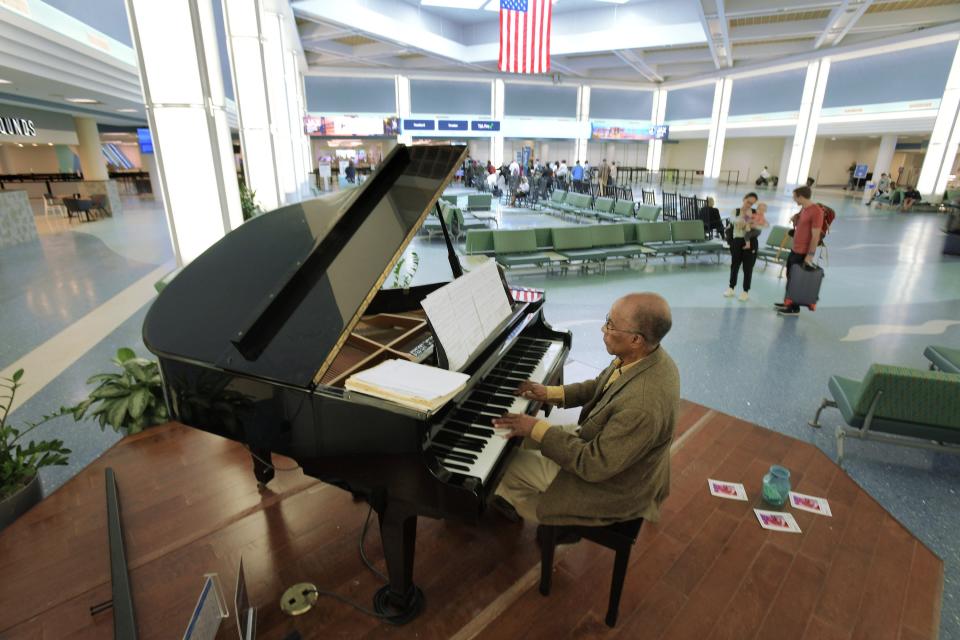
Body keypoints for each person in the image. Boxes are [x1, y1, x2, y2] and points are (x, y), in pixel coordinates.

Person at [491, 293, 679, 531]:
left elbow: (593, 463)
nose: (603, 329)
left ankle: (549, 515)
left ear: (636, 339)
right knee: (516, 439)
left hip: (611, 485)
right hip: (603, 443)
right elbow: (601, 385)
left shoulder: (642, 405)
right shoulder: (645, 356)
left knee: (503, 469)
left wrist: (535, 427)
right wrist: (549, 393)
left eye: (611, 325)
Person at [776, 186, 824, 316]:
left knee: (796, 280)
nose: (793, 199)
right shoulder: (804, 209)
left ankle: (794, 308)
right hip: (795, 249)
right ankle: (788, 302)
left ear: (800, 196)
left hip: (803, 252)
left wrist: (810, 255)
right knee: (790, 277)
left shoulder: (816, 211)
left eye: (794, 196)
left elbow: (815, 236)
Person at [724, 193, 763, 302]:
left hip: (751, 241)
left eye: (752, 203)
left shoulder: (755, 213)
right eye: (748, 202)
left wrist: (748, 223)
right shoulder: (735, 211)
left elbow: (758, 228)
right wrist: (746, 219)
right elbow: (734, 221)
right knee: (735, 265)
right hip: (737, 241)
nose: (749, 205)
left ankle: (745, 291)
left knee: (748, 267)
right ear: (744, 199)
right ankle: (731, 287)